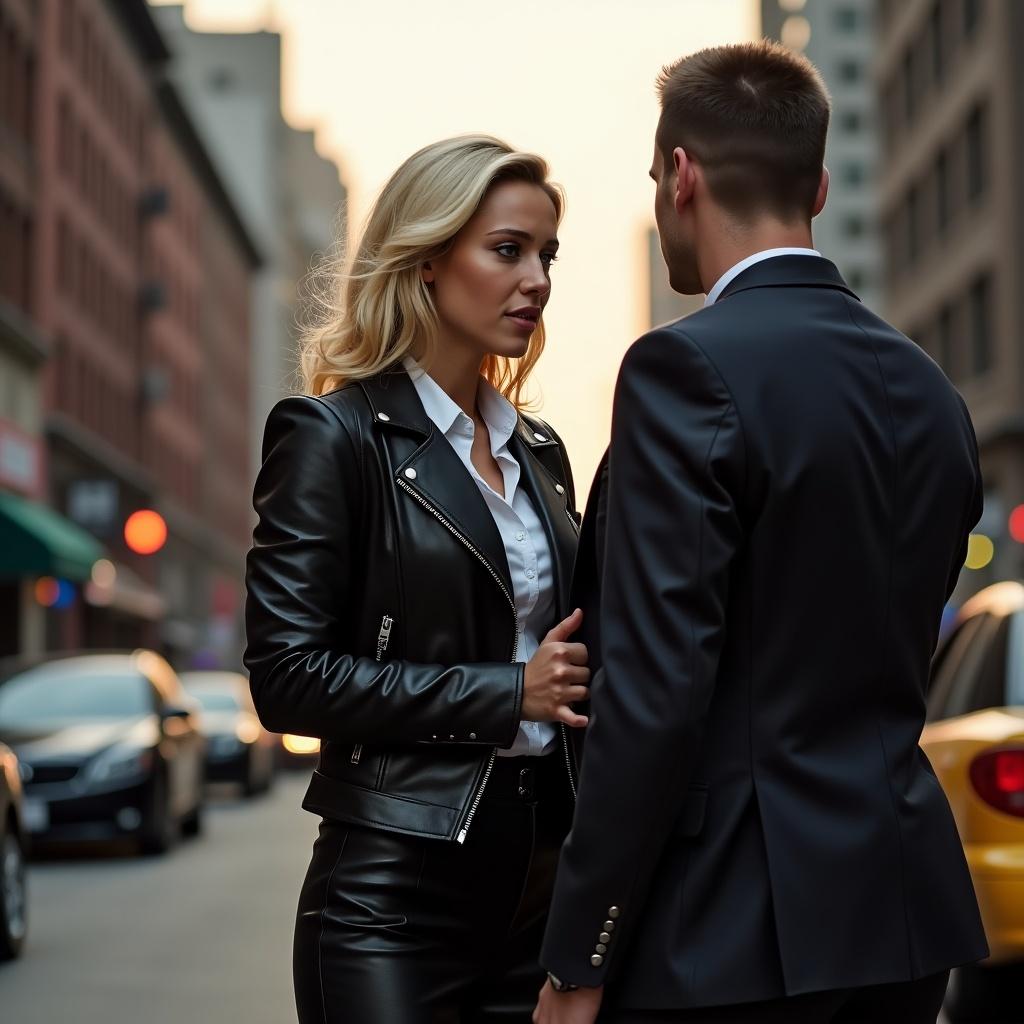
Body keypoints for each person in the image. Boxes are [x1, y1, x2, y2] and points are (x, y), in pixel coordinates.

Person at [534, 41, 988, 1024]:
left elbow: (655, 696)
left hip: (732, 936)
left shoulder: (681, 372)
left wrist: (580, 952)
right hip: (902, 916)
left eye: (656, 176)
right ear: (819, 185)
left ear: (681, 174)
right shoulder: (930, 393)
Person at [244, 135, 588, 1022]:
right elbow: (287, 681)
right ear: (429, 260)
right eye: (507, 250)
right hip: (393, 896)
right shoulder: (333, 436)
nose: (538, 279)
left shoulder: (541, 455)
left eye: (547, 255)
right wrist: (508, 691)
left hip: (542, 886)